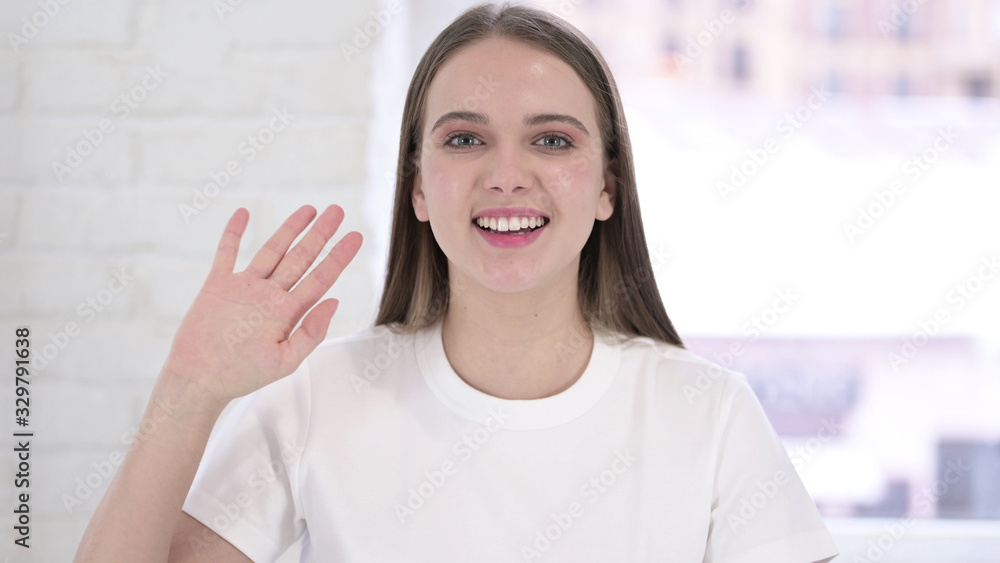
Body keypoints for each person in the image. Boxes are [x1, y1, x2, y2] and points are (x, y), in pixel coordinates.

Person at [75, 2, 840, 562]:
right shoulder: (321, 396)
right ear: (417, 185)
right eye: (466, 138)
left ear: (608, 185)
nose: (507, 175)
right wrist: (190, 387)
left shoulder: (709, 416)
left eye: (551, 139)